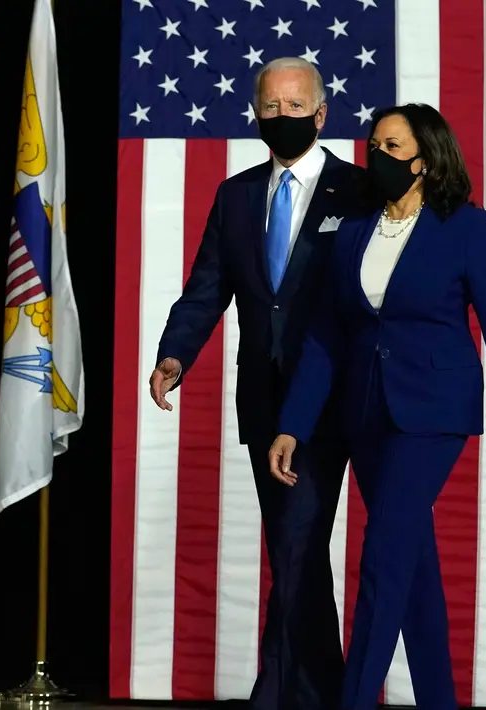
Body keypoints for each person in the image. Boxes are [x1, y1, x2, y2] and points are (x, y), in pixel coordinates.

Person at [267, 103, 486, 710]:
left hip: (433, 414)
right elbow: (325, 335)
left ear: (425, 159)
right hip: (364, 414)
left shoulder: (467, 227)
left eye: (393, 146)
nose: (378, 156)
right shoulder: (353, 229)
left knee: (382, 560)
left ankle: (355, 700)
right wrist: (293, 424)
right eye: (374, 145)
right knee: (411, 565)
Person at [149, 57, 368, 710]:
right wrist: (173, 355)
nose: (282, 118)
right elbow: (206, 288)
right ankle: (315, 690)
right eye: (270, 107)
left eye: (295, 107)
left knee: (297, 547)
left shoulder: (356, 191)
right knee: (291, 550)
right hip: (263, 401)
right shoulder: (236, 195)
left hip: (332, 400)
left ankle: (279, 694)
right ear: (254, 113)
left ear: (321, 114)